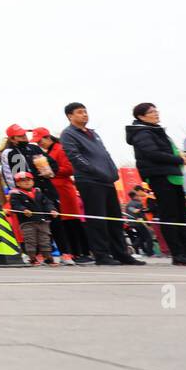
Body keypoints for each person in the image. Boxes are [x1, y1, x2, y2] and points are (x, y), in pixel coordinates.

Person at [125, 103, 186, 266]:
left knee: (180, 215)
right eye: (151, 112)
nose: (156, 113)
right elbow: (152, 153)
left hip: (173, 175)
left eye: (156, 110)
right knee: (170, 216)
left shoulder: (156, 130)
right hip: (160, 177)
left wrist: (182, 155)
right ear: (141, 116)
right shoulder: (141, 132)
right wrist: (180, 159)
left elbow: (170, 151)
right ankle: (178, 254)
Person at [60, 102, 143, 266]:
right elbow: (75, 157)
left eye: (85, 111)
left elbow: (105, 154)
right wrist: (95, 171)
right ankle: (101, 254)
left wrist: (112, 171)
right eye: (79, 112)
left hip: (107, 180)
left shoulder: (93, 134)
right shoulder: (68, 134)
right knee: (98, 220)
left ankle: (121, 253)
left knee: (115, 218)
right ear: (70, 116)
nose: (84, 114)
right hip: (89, 181)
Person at [31, 126, 87, 264]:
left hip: (64, 189)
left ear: (48, 137)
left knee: (72, 222)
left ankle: (80, 252)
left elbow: (69, 168)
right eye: (37, 142)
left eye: (41, 140)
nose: (40, 144)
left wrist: (51, 170)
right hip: (54, 191)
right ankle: (70, 252)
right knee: (61, 223)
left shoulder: (60, 149)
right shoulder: (45, 152)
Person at [8, 172, 60, 265]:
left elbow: (47, 203)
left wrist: (52, 210)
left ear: (33, 181)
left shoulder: (38, 192)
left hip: (42, 221)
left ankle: (48, 257)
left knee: (45, 239)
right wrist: (23, 209)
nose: (27, 182)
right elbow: (15, 205)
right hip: (27, 222)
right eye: (23, 181)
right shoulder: (15, 194)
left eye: (29, 180)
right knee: (30, 240)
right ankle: (32, 257)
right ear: (18, 183)